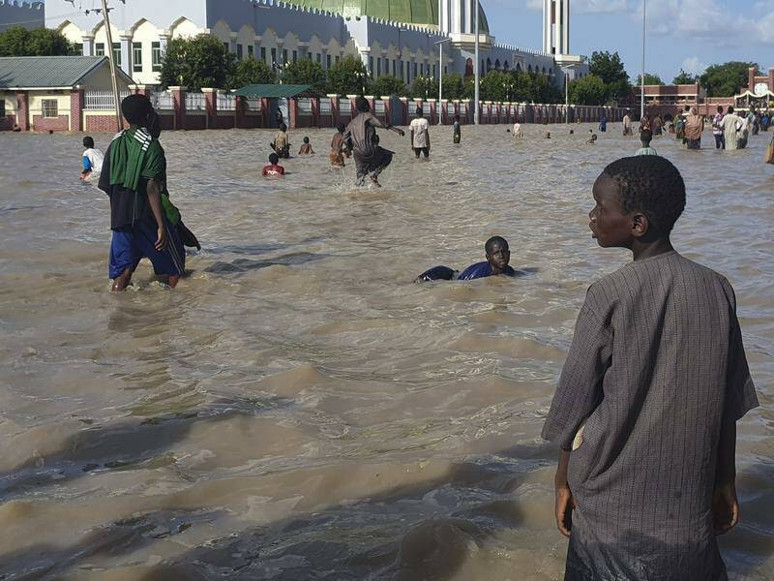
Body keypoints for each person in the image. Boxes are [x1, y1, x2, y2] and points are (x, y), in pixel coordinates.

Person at [543, 155, 758, 581]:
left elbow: (574, 405)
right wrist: (725, 479)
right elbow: (726, 402)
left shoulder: (608, 294)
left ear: (637, 224)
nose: (591, 217)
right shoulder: (718, 288)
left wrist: (562, 481)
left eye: (601, 208)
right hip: (686, 504)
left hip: (608, 503)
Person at [97, 95, 186, 291]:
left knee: (124, 271)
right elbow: (151, 186)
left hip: (120, 216)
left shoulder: (115, 142)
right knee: (175, 267)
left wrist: (121, 207)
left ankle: (117, 310)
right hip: (146, 216)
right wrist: (161, 225)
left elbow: (105, 184)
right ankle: (175, 313)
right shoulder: (151, 145)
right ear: (148, 115)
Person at [147, 111, 201, 251]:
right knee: (176, 269)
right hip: (158, 205)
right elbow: (153, 187)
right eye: (156, 125)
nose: (159, 128)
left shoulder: (131, 145)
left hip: (141, 208)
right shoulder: (153, 149)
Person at [344, 96, 405, 187]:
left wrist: (349, 149)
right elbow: (380, 123)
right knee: (388, 155)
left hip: (357, 153)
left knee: (360, 175)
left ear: (356, 109)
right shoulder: (368, 116)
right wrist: (395, 129)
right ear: (367, 106)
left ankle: (357, 197)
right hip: (369, 149)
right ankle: (374, 174)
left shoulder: (352, 122)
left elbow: (345, 137)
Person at [414, 236, 518, 282]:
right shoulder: (479, 274)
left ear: (509, 253)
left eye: (504, 252)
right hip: (443, 275)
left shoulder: (509, 271)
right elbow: (461, 286)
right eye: (496, 253)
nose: (501, 256)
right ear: (488, 257)